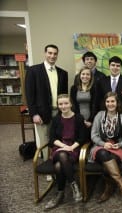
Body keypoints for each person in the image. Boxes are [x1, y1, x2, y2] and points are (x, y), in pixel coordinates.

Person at [25, 44, 68, 181]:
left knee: (59, 140)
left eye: (55, 53)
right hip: (42, 114)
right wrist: (34, 114)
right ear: (45, 53)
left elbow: (64, 96)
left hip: (60, 113)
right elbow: (29, 94)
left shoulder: (63, 73)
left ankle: (59, 165)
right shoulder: (33, 71)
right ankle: (48, 171)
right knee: (44, 141)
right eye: (50, 53)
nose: (52, 56)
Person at [89, 92, 122, 202]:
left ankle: (108, 188)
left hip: (117, 149)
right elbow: (93, 135)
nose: (110, 104)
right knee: (104, 153)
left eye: (113, 101)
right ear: (105, 103)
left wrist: (120, 144)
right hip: (100, 147)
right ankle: (121, 182)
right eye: (108, 101)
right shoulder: (99, 115)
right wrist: (103, 144)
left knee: (107, 161)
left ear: (117, 103)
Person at [45, 94, 85, 209]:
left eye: (66, 103)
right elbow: (52, 139)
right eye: (60, 104)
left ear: (71, 104)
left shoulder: (79, 118)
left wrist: (71, 147)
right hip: (59, 148)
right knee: (62, 155)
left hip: (74, 148)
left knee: (58, 166)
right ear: (58, 105)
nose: (63, 106)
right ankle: (73, 185)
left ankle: (60, 193)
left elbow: (82, 138)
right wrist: (64, 146)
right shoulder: (56, 119)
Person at [95, 56, 122, 121]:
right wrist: (108, 109)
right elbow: (99, 98)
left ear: (121, 67)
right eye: (113, 65)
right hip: (106, 114)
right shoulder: (102, 81)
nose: (115, 67)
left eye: (118, 66)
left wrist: (118, 109)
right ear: (109, 66)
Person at [70, 66, 96, 140]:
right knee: (79, 140)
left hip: (91, 121)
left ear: (91, 76)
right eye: (83, 74)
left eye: (88, 74)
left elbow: (95, 106)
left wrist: (91, 121)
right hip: (77, 120)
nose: (85, 76)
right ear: (79, 75)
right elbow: (73, 106)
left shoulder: (94, 88)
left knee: (89, 141)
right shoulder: (74, 88)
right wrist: (81, 120)